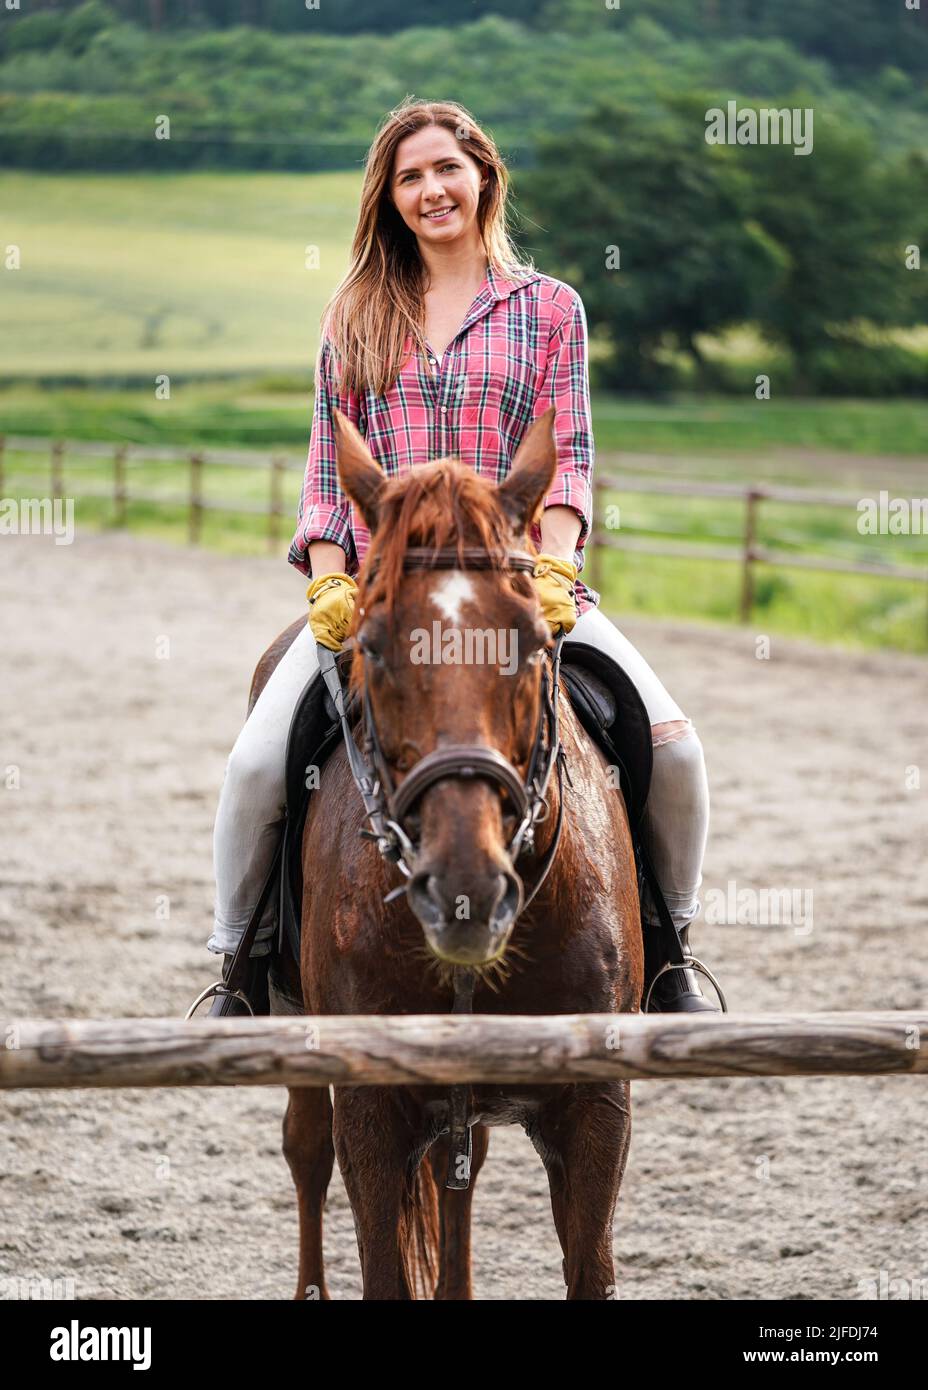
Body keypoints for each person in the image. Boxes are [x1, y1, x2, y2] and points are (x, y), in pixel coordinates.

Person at [206, 98, 722, 1015]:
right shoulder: (355, 313)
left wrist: (554, 566)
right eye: (408, 177)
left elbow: (571, 459)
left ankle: (672, 954)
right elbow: (329, 471)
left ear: (482, 173)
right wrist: (330, 573)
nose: (430, 189)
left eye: (446, 168)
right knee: (255, 767)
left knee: (676, 753)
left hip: (517, 586)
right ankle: (241, 973)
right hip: (387, 593)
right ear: (389, 198)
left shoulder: (552, 308)